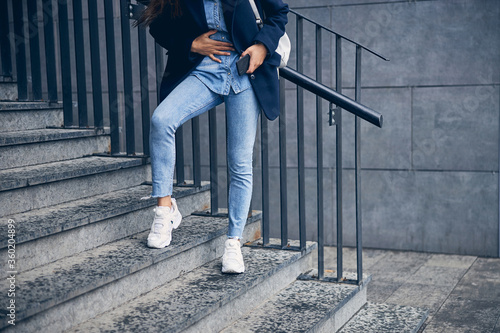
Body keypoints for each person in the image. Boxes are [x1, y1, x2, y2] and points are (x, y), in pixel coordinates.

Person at [136, 0, 288, 273]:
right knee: (162, 120)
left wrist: (262, 46)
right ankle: (164, 209)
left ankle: (233, 243)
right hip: (205, 70)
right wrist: (191, 44)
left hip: (245, 72)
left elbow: (279, 12)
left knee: (239, 161)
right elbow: (157, 24)